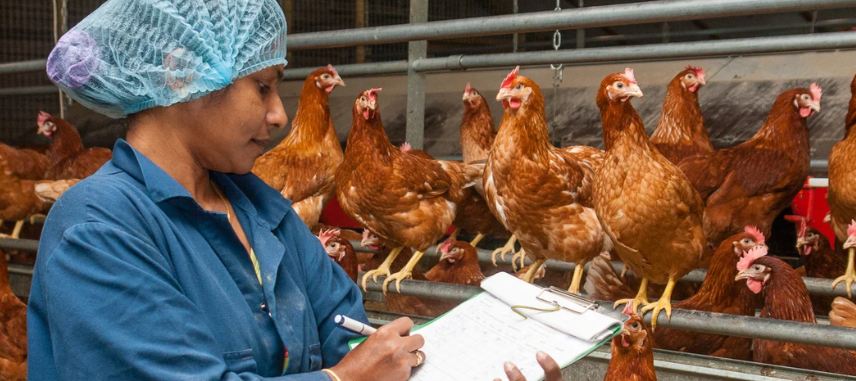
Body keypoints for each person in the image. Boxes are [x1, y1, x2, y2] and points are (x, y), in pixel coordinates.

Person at [28, 0, 424, 380]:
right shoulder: (98, 229)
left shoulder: (263, 210)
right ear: (182, 74)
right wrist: (343, 378)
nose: (279, 115)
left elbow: (346, 328)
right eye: (262, 87)